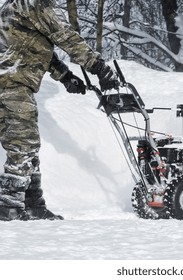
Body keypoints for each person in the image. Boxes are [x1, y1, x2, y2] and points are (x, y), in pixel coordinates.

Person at [0, 0, 119, 221]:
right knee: (23, 144)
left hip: (9, 81)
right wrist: (99, 68)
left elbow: (35, 44)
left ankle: (31, 204)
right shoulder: (34, 2)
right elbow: (64, 35)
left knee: (25, 143)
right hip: (11, 83)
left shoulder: (15, 5)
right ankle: (9, 207)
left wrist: (64, 76)